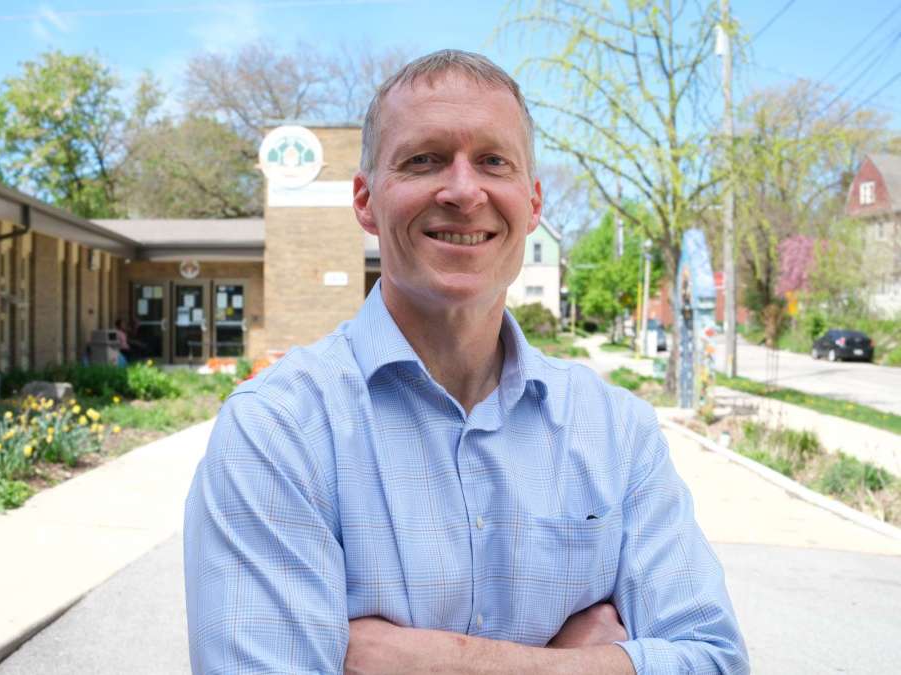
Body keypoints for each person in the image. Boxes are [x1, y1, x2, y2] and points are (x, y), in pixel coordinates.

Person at [184, 50, 748, 674]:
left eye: (493, 161)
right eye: (423, 159)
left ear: (532, 204)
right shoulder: (277, 430)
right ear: (367, 200)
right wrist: (587, 661)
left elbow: (713, 660)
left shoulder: (618, 433)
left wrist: (437, 663)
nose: (461, 190)